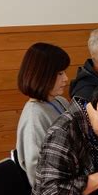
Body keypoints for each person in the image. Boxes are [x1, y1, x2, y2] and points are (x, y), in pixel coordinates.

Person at [16, 42, 70, 186]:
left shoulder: (60, 101)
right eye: (60, 73)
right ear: (42, 76)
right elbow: (38, 176)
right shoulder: (34, 117)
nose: (66, 78)